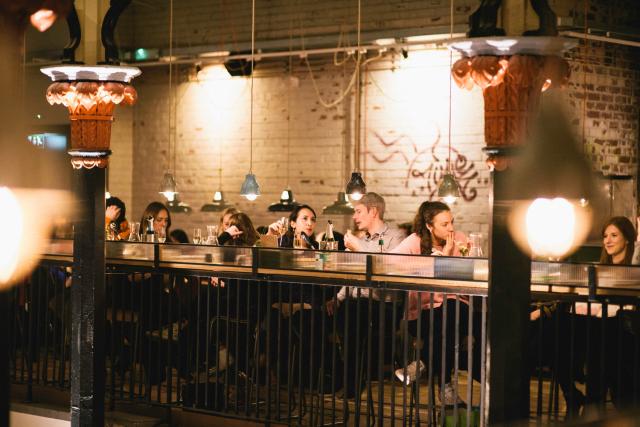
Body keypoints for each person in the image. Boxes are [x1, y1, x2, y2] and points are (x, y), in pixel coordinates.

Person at [325, 192, 405, 399]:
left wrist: (359, 248)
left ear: (374, 211)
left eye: (359, 211)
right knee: (323, 313)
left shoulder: (395, 237)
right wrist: (338, 298)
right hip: (358, 306)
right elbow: (353, 275)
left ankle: (349, 381)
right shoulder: (362, 239)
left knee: (353, 312)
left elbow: (385, 268)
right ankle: (332, 376)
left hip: (384, 305)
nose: (354, 216)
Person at [390, 201, 469, 405]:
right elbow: (391, 262)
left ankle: (422, 363)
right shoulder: (415, 241)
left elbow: (470, 271)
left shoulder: (460, 240)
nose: (451, 228)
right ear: (429, 225)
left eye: (452, 222)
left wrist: (452, 254)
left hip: (455, 307)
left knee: (451, 311)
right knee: (447, 328)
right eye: (444, 224)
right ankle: (446, 388)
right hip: (422, 313)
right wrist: (442, 258)